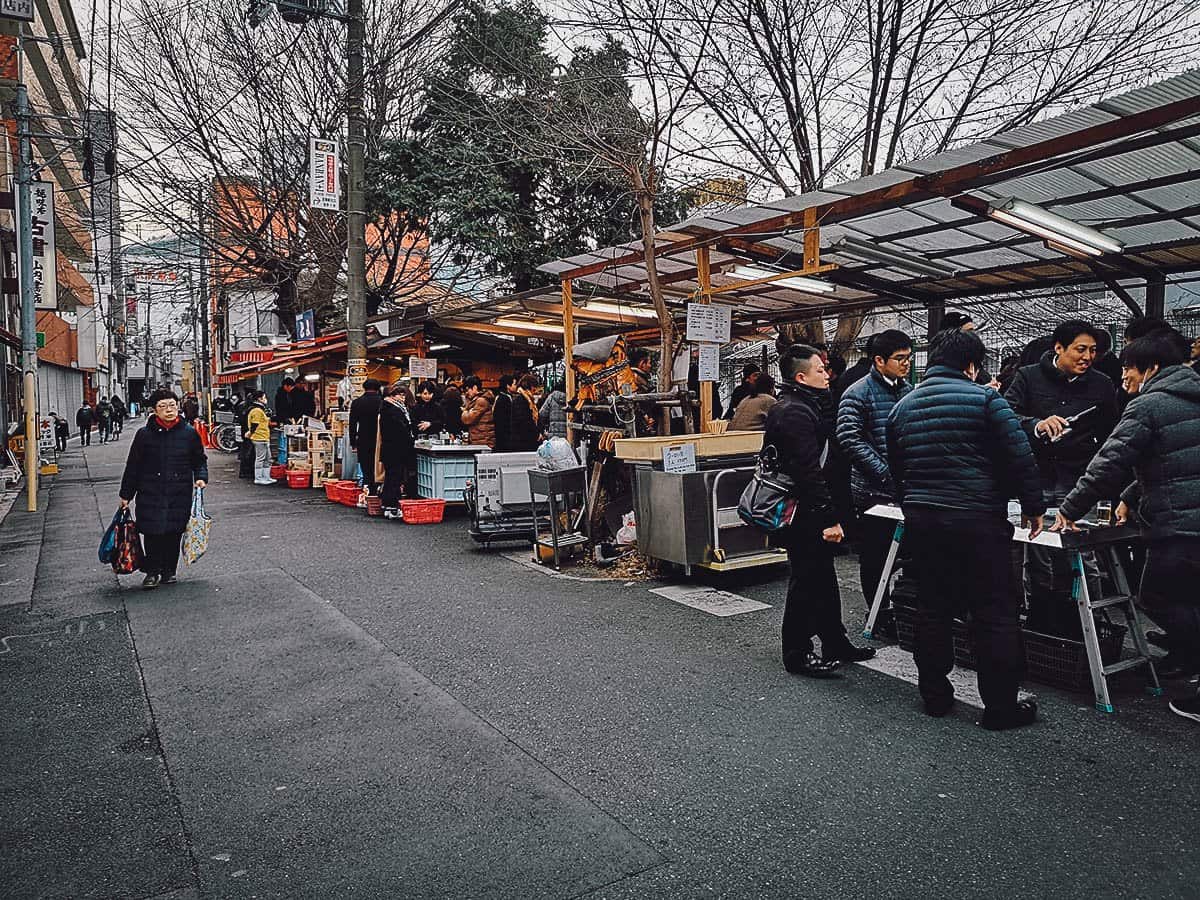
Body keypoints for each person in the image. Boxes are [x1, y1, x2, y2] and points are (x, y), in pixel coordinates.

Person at [886, 329, 1044, 729]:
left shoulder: (902, 407)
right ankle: (1000, 708)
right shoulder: (988, 400)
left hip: (924, 523)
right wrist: (1032, 506)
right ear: (972, 365)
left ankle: (936, 696)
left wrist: (914, 506)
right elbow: (1019, 455)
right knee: (993, 613)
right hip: (978, 523)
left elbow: (897, 470)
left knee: (932, 607)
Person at [1053, 330, 1200, 722]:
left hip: (1180, 524)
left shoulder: (1149, 405)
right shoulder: (1191, 397)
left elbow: (1110, 461)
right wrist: (1132, 496)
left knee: (1156, 595)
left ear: (1150, 368)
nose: (1124, 378)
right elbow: (1175, 460)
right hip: (1185, 518)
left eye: (1128, 369)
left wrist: (1070, 508)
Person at [766, 344, 874, 678]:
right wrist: (830, 518)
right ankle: (797, 652)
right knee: (806, 580)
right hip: (804, 512)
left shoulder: (806, 405)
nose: (826, 374)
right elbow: (808, 470)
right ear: (801, 376)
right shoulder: (794, 412)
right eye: (819, 370)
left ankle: (834, 641)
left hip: (811, 508)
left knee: (822, 578)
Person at [1004, 320, 1116, 636]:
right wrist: (1036, 425)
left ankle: (1087, 625)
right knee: (1036, 552)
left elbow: (1113, 434)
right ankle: (1040, 620)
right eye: (1080, 349)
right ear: (1058, 348)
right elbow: (1006, 414)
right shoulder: (1028, 377)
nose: (1087, 357)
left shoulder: (1102, 385)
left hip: (1079, 482)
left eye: (1093, 351)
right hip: (1035, 478)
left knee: (1083, 554)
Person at [836, 329, 914, 637]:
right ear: (879, 360)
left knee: (905, 555)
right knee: (876, 557)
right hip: (871, 492)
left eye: (909, 358)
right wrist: (883, 471)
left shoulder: (908, 390)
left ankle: (902, 608)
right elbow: (849, 438)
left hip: (904, 489)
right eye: (899, 359)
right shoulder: (858, 392)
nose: (906, 364)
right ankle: (878, 612)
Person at [118, 388, 208, 589]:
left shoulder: (189, 433)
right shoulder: (144, 435)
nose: (169, 410)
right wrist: (126, 494)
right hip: (150, 491)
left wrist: (201, 477)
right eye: (163, 406)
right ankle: (152, 572)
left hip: (179, 491)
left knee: (173, 533)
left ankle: (169, 571)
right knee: (152, 533)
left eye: (172, 405)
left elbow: (199, 460)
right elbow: (133, 466)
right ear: (154, 410)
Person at [379, 381, 417, 519]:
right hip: (396, 449)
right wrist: (410, 437)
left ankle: (387, 505)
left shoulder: (388, 408)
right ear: (393, 396)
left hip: (390, 449)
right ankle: (392, 507)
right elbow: (400, 430)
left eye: (403, 395)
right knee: (394, 478)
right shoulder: (393, 410)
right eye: (400, 395)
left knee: (391, 478)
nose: (403, 398)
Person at [939, 311, 995, 385]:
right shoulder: (948, 367)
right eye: (969, 332)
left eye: (973, 331)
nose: (974, 336)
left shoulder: (975, 363)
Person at [349, 379, 384, 494]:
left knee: (365, 465)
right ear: (378, 388)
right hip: (380, 438)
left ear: (364, 388)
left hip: (363, 438)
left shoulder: (357, 402)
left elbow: (352, 424)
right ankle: (377, 490)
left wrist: (353, 442)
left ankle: (368, 490)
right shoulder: (382, 402)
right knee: (378, 465)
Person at [244, 390, 273, 485]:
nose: (266, 399)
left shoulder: (260, 409)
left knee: (267, 458)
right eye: (264, 397)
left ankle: (266, 477)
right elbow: (254, 424)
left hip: (264, 437)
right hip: (259, 437)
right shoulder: (257, 410)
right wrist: (250, 433)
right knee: (260, 458)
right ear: (259, 399)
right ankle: (259, 478)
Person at [508, 374, 543, 451]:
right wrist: (536, 434)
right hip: (523, 442)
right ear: (529, 386)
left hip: (526, 441)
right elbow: (524, 421)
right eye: (534, 387)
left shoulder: (528, 400)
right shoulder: (521, 400)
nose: (535, 390)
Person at [461, 376, 496, 447]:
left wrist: (465, 411)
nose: (466, 393)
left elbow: (467, 419)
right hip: (481, 440)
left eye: (467, 390)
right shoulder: (479, 399)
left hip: (483, 441)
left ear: (474, 387)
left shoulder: (481, 401)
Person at [492, 375, 517, 452]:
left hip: (502, 437)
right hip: (504, 438)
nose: (516, 386)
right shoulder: (504, 400)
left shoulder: (503, 397)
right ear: (508, 386)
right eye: (514, 384)